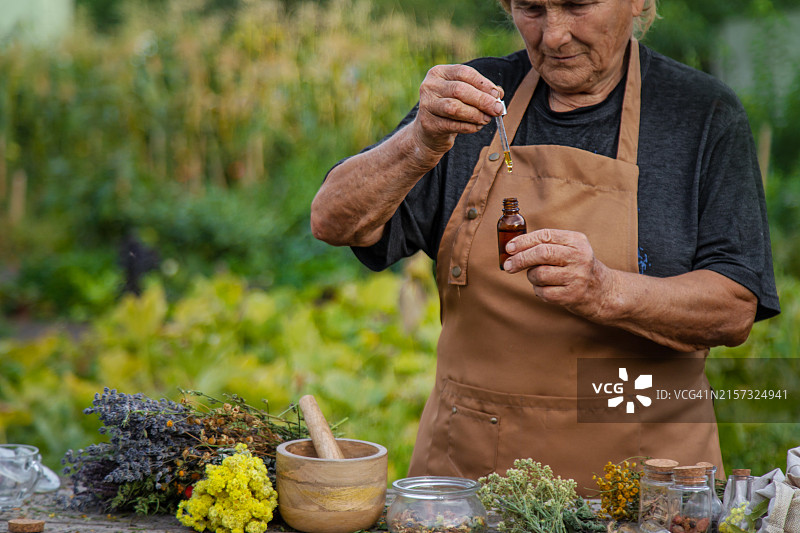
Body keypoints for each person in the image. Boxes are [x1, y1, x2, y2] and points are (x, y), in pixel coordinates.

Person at [310, 0, 780, 494]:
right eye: (531, 8)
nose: (553, 35)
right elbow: (333, 221)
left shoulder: (701, 114)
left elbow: (733, 309)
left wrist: (606, 290)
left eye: (578, 6)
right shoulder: (474, 101)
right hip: (470, 483)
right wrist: (419, 142)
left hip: (646, 486)